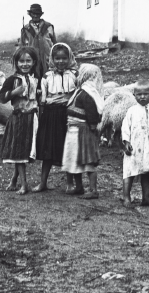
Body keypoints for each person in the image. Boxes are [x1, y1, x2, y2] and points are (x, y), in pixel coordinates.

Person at [33, 42, 77, 192]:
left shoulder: (75, 75)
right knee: (48, 148)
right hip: (51, 115)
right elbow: (43, 98)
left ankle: (70, 183)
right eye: (57, 58)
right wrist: (42, 114)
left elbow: (77, 95)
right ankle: (43, 182)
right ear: (52, 59)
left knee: (68, 147)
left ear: (70, 58)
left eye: (64, 58)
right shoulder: (47, 76)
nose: (61, 62)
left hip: (68, 114)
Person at [0, 46, 41, 194]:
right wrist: (14, 92)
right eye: (21, 61)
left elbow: (39, 98)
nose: (25, 64)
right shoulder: (12, 80)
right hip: (18, 118)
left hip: (32, 118)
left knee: (24, 151)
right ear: (16, 63)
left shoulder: (36, 79)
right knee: (20, 151)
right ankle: (24, 184)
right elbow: (1, 98)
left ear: (34, 62)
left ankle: (14, 180)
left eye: (28, 61)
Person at [121, 80, 149, 207]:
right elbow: (125, 127)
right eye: (139, 94)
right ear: (134, 95)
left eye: (146, 94)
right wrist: (126, 141)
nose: (142, 97)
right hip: (134, 147)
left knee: (147, 172)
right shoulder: (131, 111)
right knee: (129, 171)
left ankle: (146, 198)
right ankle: (126, 198)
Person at [62, 63, 104, 199]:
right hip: (74, 130)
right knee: (75, 160)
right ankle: (79, 187)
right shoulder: (81, 91)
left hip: (83, 132)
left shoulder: (87, 94)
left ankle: (93, 190)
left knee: (87, 160)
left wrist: (92, 128)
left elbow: (92, 114)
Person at [18, 3, 56, 76]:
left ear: (40, 15)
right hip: (32, 57)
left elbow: (54, 43)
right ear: (30, 14)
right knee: (33, 76)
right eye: (33, 13)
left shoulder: (48, 27)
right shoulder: (26, 29)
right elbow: (22, 45)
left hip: (47, 57)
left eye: (37, 14)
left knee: (48, 76)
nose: (35, 16)